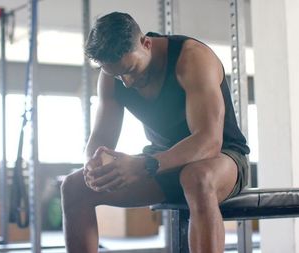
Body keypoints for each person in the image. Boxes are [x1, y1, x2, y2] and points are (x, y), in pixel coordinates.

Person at [61, 12, 250, 253]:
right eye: (117, 75)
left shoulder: (192, 58)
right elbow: (100, 139)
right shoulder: (112, 79)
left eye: (130, 69)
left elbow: (208, 141)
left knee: (196, 177)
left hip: (222, 158)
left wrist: (144, 165)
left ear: (146, 43)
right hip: (161, 161)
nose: (126, 81)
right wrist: (94, 165)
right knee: (74, 187)